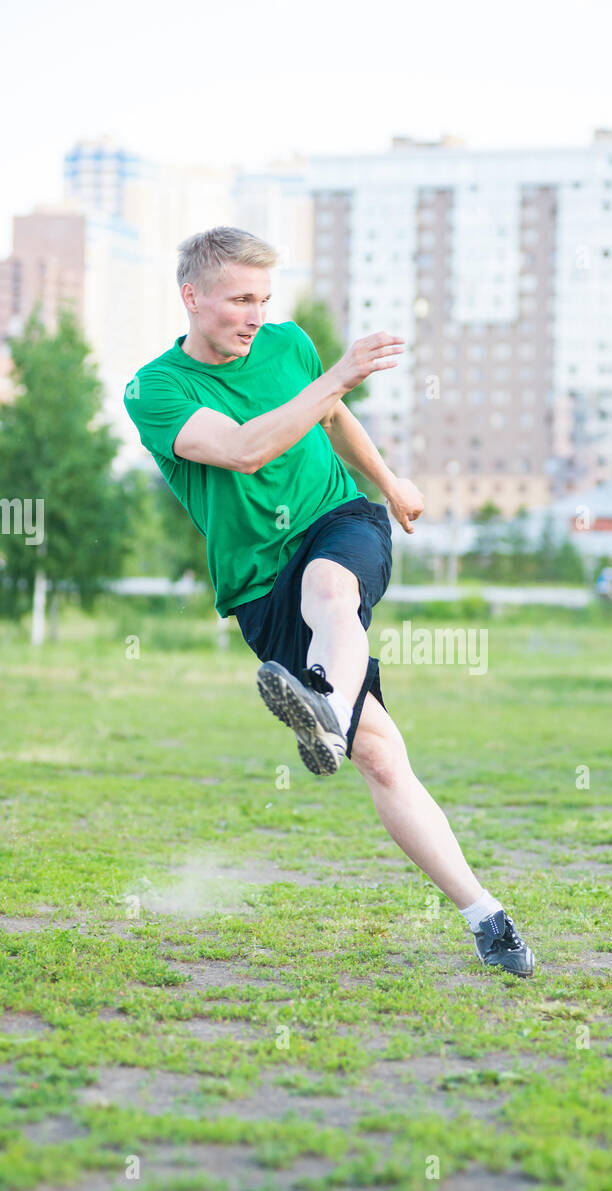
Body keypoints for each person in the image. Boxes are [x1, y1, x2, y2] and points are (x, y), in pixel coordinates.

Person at [123, 226, 534, 977]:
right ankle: (488, 917)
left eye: (263, 299)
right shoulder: (156, 389)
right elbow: (248, 446)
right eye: (239, 299)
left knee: (330, 588)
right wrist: (338, 375)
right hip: (256, 584)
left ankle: (322, 702)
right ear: (191, 296)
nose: (254, 314)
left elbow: (334, 417)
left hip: (338, 523)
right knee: (378, 754)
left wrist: (388, 481)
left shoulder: (289, 346)